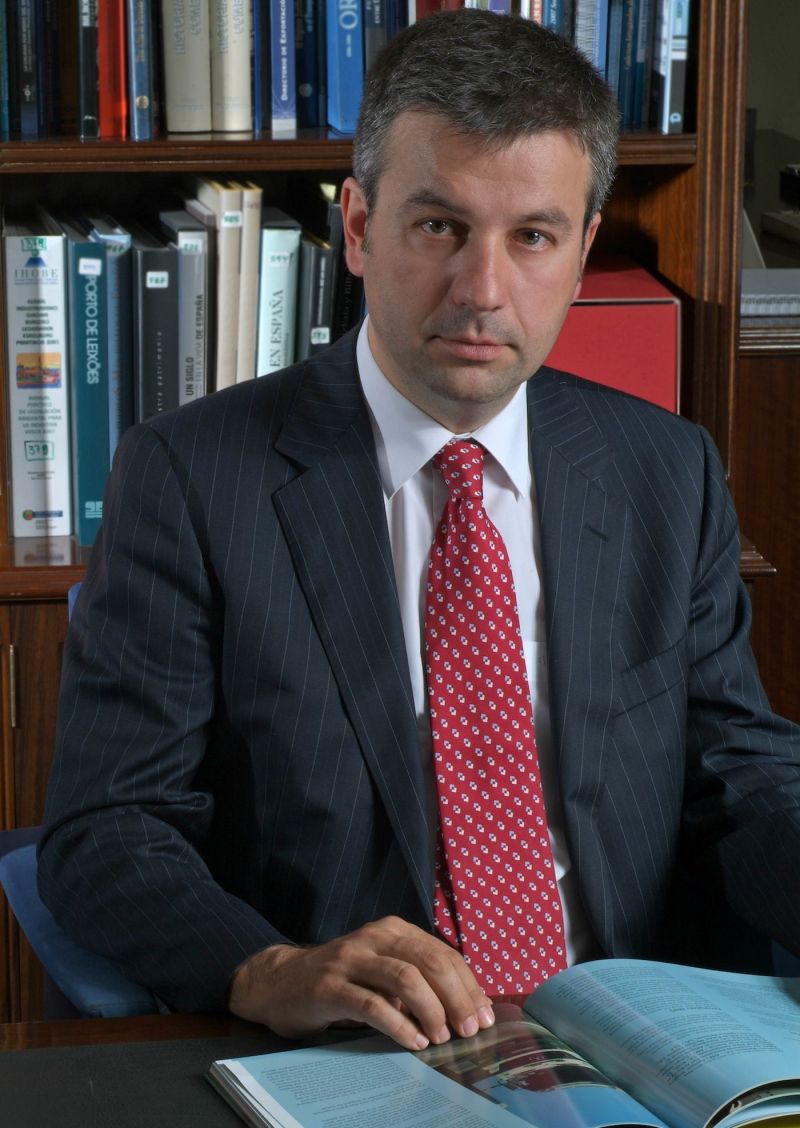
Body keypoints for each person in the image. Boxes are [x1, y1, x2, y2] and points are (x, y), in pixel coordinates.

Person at [40, 9, 800, 1056]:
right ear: (357, 226)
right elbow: (109, 828)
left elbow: (740, 776)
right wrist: (269, 968)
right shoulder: (191, 477)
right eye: (439, 226)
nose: (482, 292)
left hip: (636, 1040)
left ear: (582, 250)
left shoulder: (665, 470)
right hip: (358, 1048)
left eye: (531, 237)